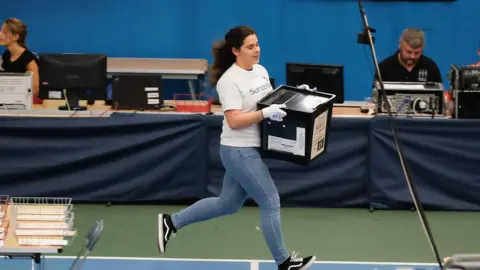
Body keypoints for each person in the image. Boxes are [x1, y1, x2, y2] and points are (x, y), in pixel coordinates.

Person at [156, 25, 316, 270]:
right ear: (235, 50)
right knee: (270, 200)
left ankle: (171, 222)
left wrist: (297, 96)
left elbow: (270, 100)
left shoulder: (260, 70)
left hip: (249, 148)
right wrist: (264, 114)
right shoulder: (229, 81)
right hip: (238, 150)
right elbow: (234, 120)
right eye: (250, 46)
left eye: (257, 44)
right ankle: (284, 262)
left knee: (227, 204)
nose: (257, 50)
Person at [375, 28, 442, 83]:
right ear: (400, 46)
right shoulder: (384, 68)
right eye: (408, 52)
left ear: (422, 49)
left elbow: (439, 94)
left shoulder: (430, 67)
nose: (412, 56)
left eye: (417, 53)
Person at [0, 18, 41, 103]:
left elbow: (35, 91)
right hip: (7, 102)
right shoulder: (6, 55)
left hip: (24, 104)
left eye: (4, 32)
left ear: (15, 37)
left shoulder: (29, 60)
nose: (0, 35)